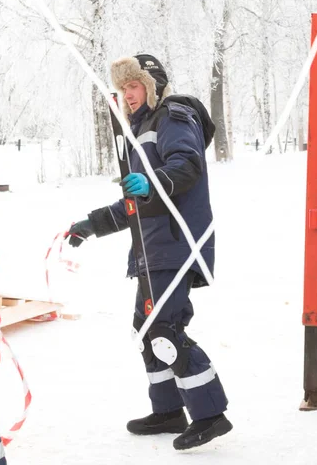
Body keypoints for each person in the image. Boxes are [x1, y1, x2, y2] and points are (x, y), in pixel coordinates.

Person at [66, 54, 232, 450]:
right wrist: (93, 225)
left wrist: (152, 181)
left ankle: (210, 415)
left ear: (152, 86)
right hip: (151, 248)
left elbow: (186, 166)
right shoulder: (139, 132)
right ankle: (168, 410)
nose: (129, 95)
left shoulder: (172, 116)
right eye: (124, 89)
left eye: (135, 86)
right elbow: (138, 200)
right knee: (146, 333)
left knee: (165, 331)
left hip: (177, 244)